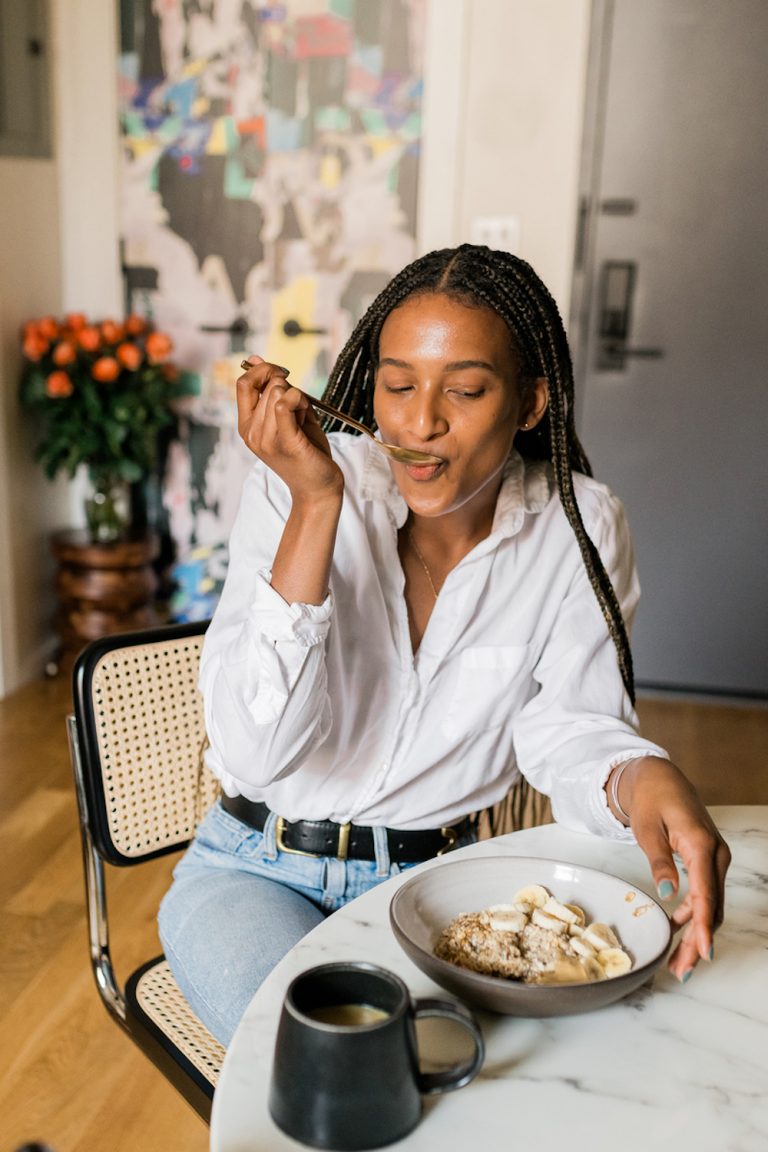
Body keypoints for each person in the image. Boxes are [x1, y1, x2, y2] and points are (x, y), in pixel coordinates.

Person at [158, 245, 730, 1046]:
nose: (420, 421)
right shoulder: (293, 489)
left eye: (463, 390)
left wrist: (642, 777)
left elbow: (569, 725)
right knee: (346, 1065)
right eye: (397, 386)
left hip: (437, 888)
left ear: (531, 402)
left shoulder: (582, 527)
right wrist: (316, 504)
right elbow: (256, 751)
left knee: (519, 1077)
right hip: (254, 872)